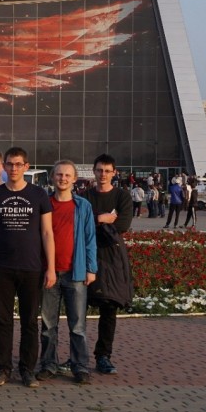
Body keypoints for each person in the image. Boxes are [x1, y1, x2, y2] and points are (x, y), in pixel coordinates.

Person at [0, 147, 54, 388]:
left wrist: (50, 267)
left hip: (31, 267)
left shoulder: (39, 194)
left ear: (26, 167)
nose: (14, 168)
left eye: (19, 164)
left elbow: (47, 233)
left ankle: (27, 369)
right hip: (1, 267)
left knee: (30, 321)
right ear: (4, 167)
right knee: (3, 321)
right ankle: (3, 368)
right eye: (10, 164)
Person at [36, 160, 97, 385]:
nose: (62, 179)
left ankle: (80, 366)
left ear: (74, 179)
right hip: (49, 272)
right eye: (59, 175)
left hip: (76, 272)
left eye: (67, 175)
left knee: (77, 325)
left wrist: (91, 269)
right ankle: (48, 364)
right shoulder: (44, 204)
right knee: (48, 325)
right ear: (52, 177)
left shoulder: (82, 206)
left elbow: (90, 239)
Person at [85, 154, 133, 375]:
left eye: (107, 171)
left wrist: (93, 220)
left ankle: (103, 356)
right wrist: (102, 218)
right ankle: (78, 354)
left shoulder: (122, 196)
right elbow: (80, 224)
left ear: (114, 173)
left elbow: (122, 225)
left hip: (112, 258)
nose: (103, 174)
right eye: (99, 170)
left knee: (109, 308)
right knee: (79, 308)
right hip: (86, 255)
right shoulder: (85, 196)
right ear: (93, 172)